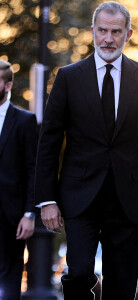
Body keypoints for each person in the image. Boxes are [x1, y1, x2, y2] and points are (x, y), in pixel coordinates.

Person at [34, 2, 138, 299]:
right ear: (93, 31)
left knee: (122, 280)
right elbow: (49, 142)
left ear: (128, 34)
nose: (108, 38)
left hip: (126, 196)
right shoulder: (69, 77)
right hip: (78, 195)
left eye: (116, 32)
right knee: (80, 271)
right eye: (103, 31)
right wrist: (47, 199)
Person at [0, 59, 37, 300]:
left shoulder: (24, 121)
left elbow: (33, 170)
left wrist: (29, 214)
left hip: (10, 215)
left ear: (8, 85)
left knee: (9, 277)